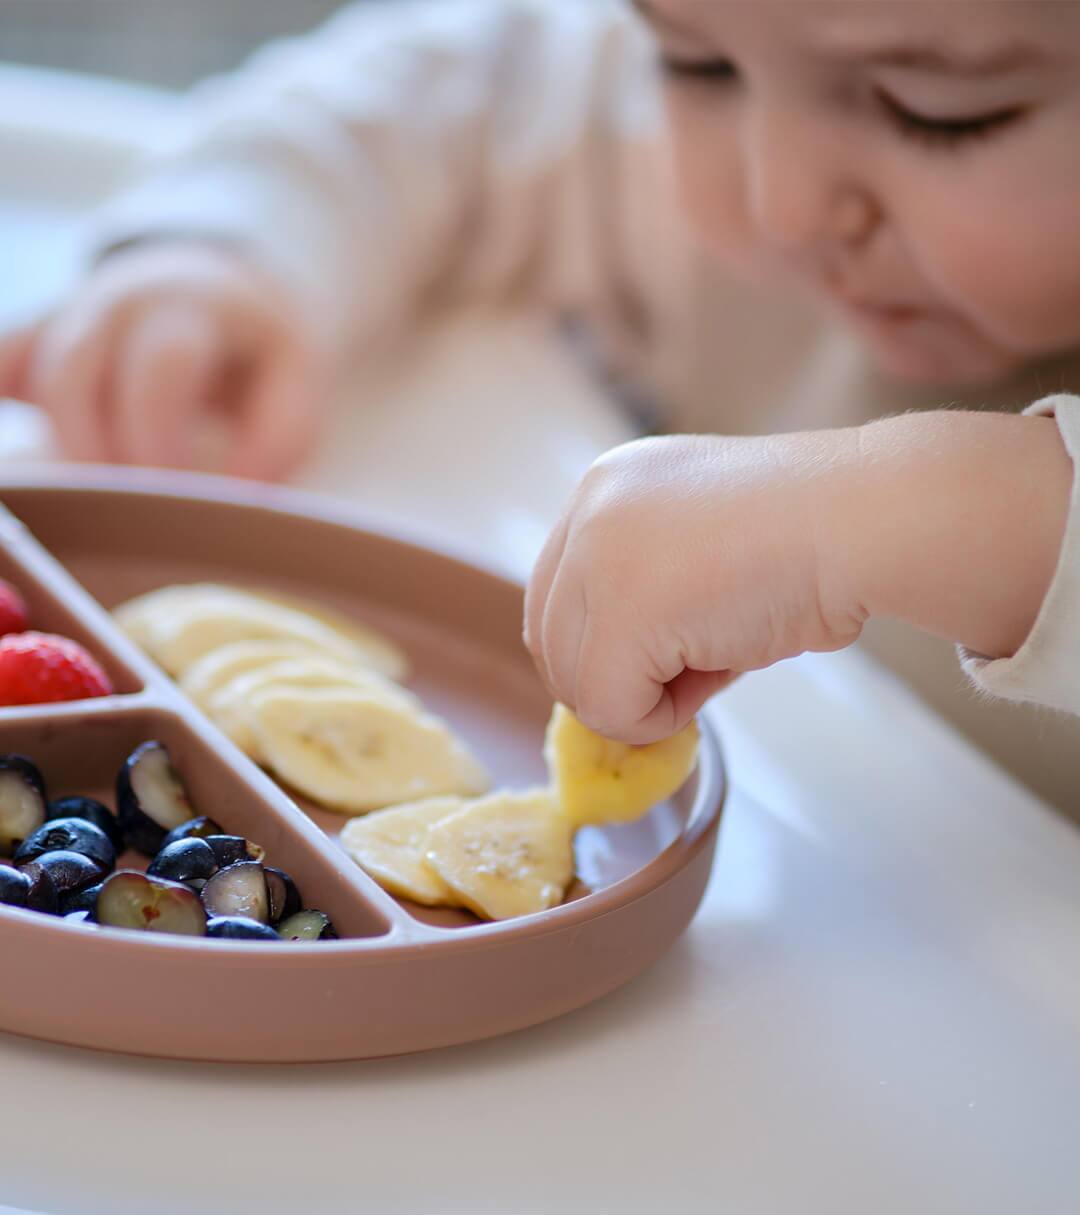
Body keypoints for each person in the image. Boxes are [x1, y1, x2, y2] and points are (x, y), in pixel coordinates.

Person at [2, 0, 1079, 746]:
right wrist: (231, 244)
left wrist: (962, 514)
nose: (780, 203)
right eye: (698, 65)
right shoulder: (738, 139)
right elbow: (484, 80)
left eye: (940, 111)